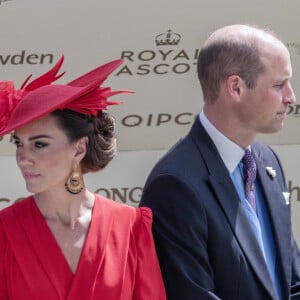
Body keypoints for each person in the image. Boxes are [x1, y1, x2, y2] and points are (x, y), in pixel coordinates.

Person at [139, 24, 300, 300]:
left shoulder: (266, 161)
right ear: (235, 87)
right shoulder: (174, 184)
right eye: (278, 85)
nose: (291, 97)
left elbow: (291, 280)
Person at [0, 56, 166, 300]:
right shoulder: (5, 231)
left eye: (39, 144)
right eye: (19, 144)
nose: (23, 157)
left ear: (78, 149)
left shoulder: (131, 227)